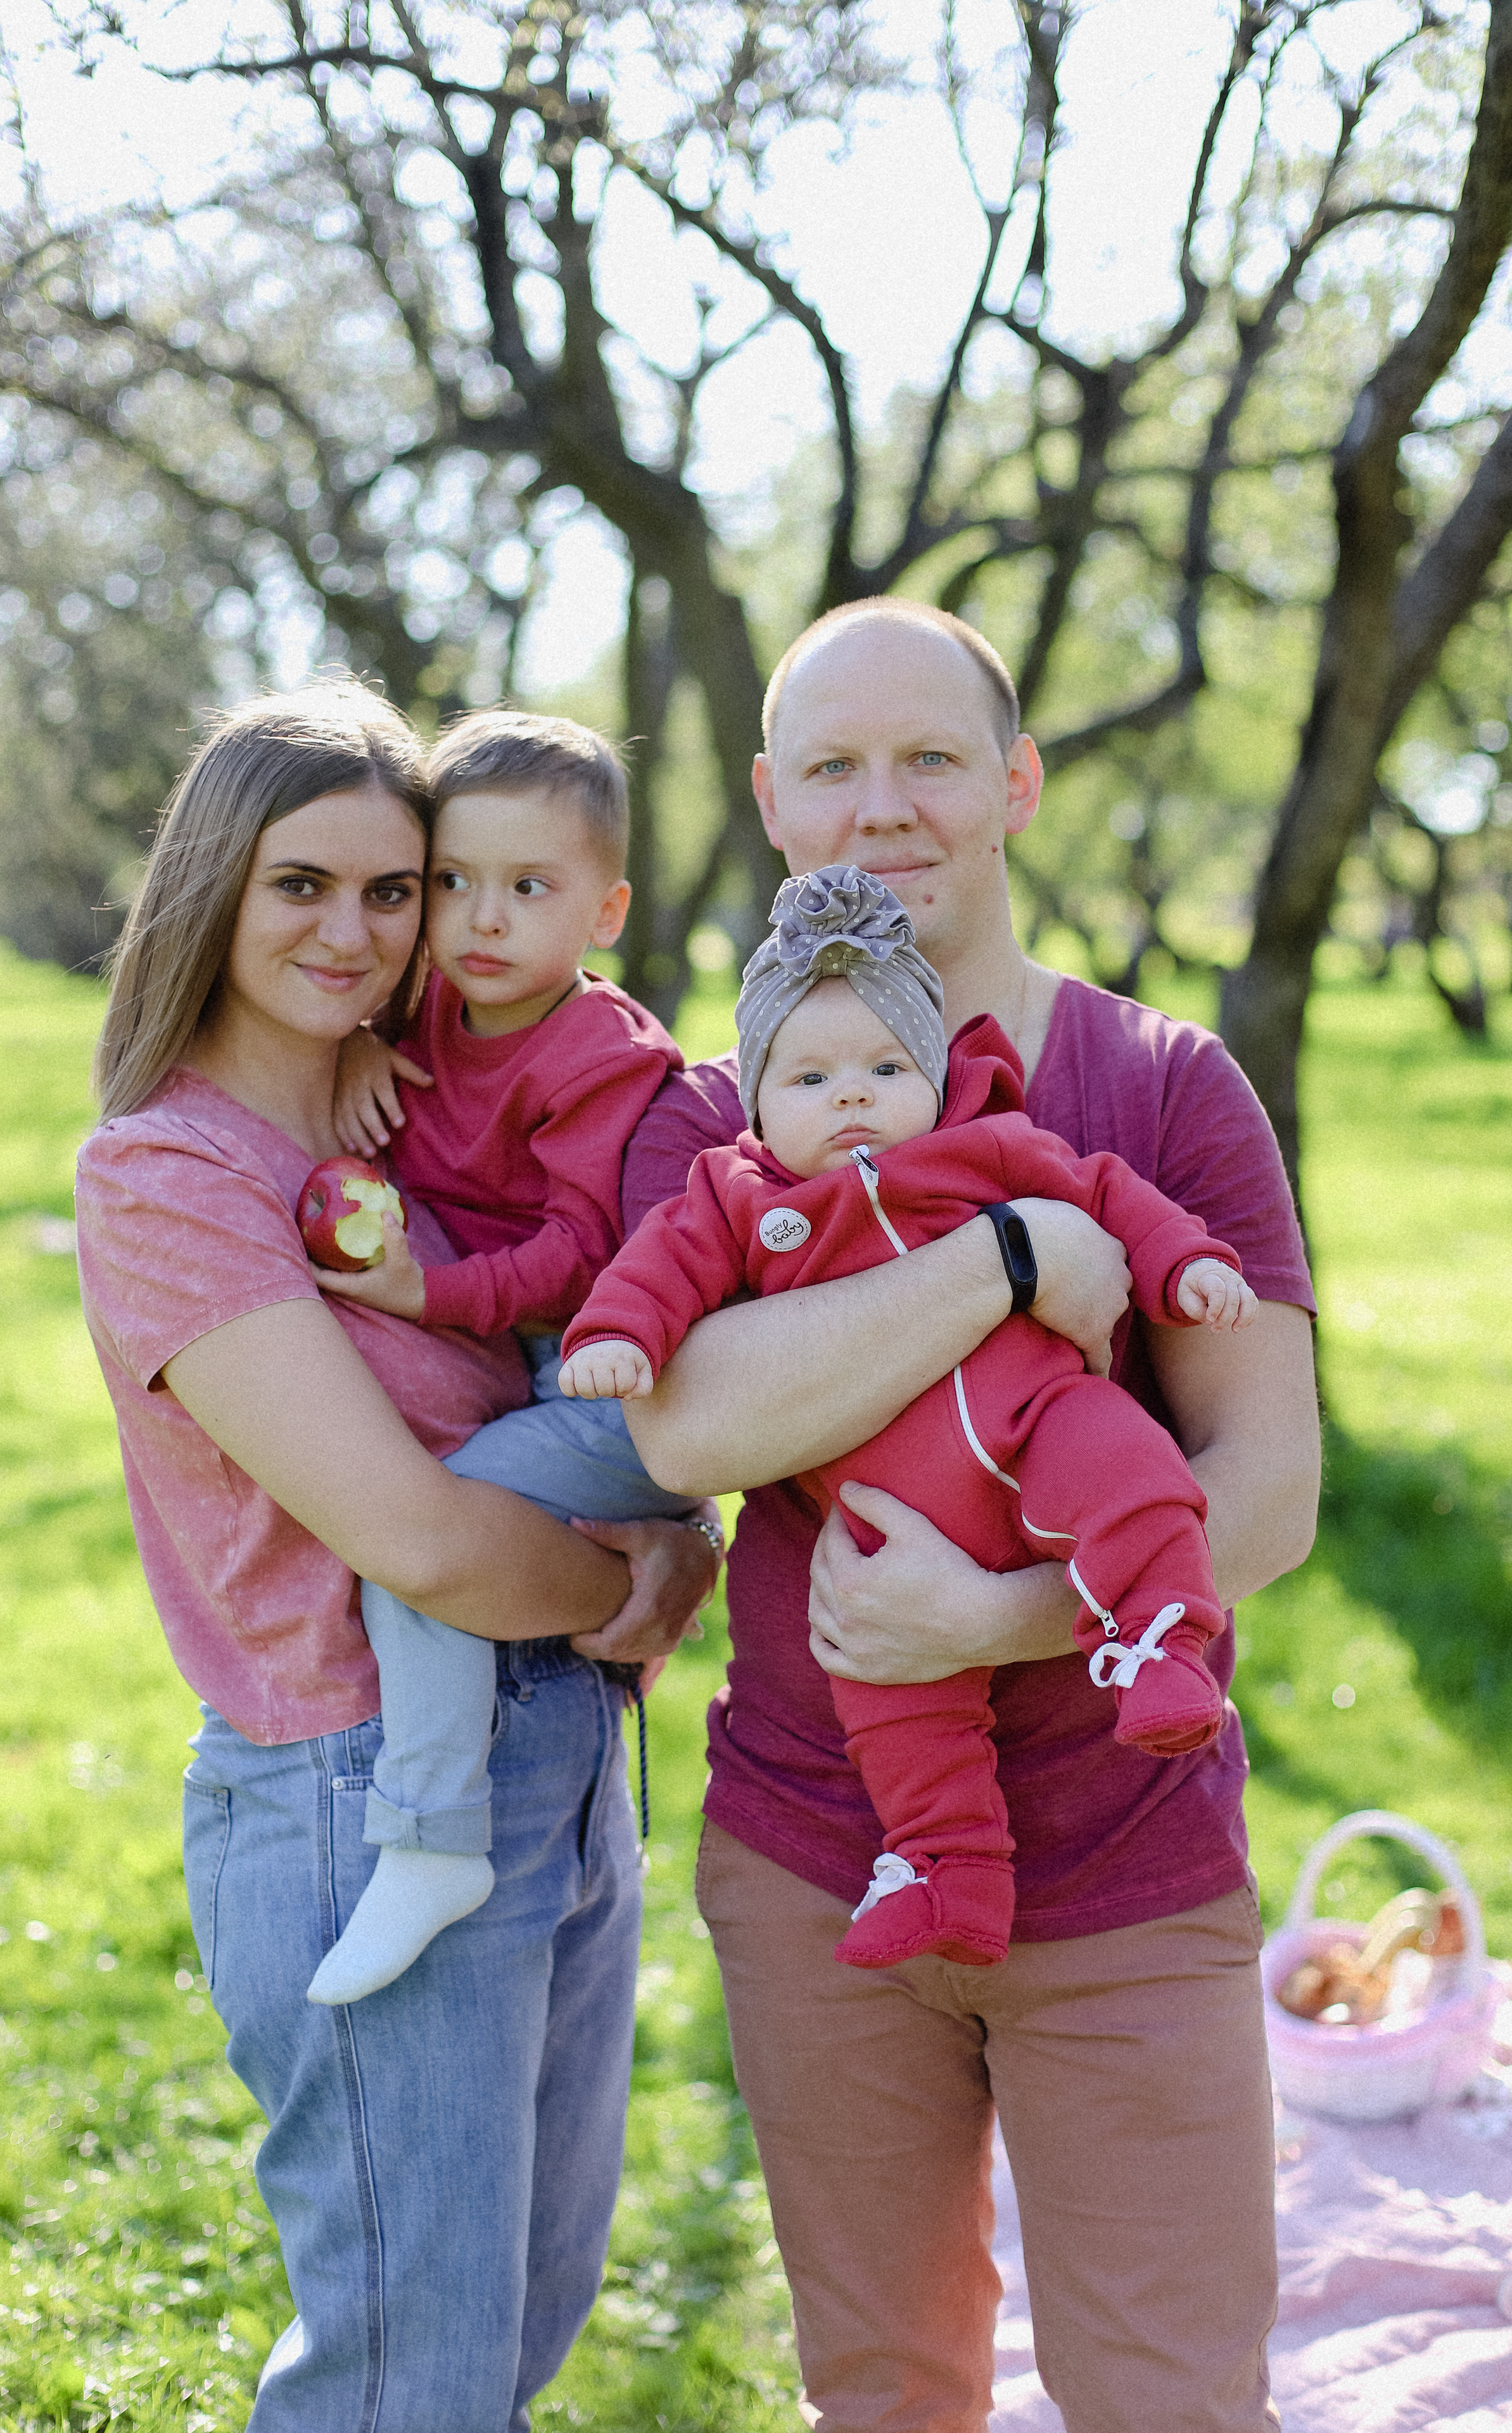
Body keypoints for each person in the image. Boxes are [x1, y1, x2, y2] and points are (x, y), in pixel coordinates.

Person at [619, 601, 1321, 2432]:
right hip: (817, 1863)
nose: (883, 808)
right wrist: (1006, 1252)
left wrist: (1001, 1621)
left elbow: (1269, 1490)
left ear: (1014, 783)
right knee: (884, 2392)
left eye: (930, 758)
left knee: (1171, 2400)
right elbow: (685, 1429)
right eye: (834, 768)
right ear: (772, 802)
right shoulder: (719, 1119)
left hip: (1126, 1860)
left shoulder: (1161, 1086)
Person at [74, 682, 715, 2431]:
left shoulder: (428, 1117)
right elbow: (420, 1537)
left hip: (562, 1761)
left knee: (512, 2339)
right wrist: (642, 1585)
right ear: (214, 888)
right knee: (405, 2387)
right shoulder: (171, 1175)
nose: (354, 933)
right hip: (359, 1792)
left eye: (394, 889)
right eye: (302, 885)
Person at [558, 860, 1257, 1970]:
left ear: (935, 1075)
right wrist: (616, 1338)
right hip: (890, 1522)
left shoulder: (991, 1146)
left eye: (887, 1068)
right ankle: (947, 1870)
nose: (852, 1096)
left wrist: (1186, 1264)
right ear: (756, 1101)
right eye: (810, 1077)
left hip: (1042, 1427)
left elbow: (1113, 1196)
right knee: (890, 1692)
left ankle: (1160, 1641)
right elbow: (658, 1272)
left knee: (1131, 1470)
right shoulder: (737, 1198)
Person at [296, 710, 703, 2007]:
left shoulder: (601, 1055)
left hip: (610, 1381)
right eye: (453, 882)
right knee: (440, 1529)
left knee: (433, 1537)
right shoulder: (424, 1006)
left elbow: (580, 1257)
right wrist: (363, 1045)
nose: (481, 919)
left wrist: (428, 1293)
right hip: (531, 1370)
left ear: (605, 911)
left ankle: (432, 1840)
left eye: (530, 888)